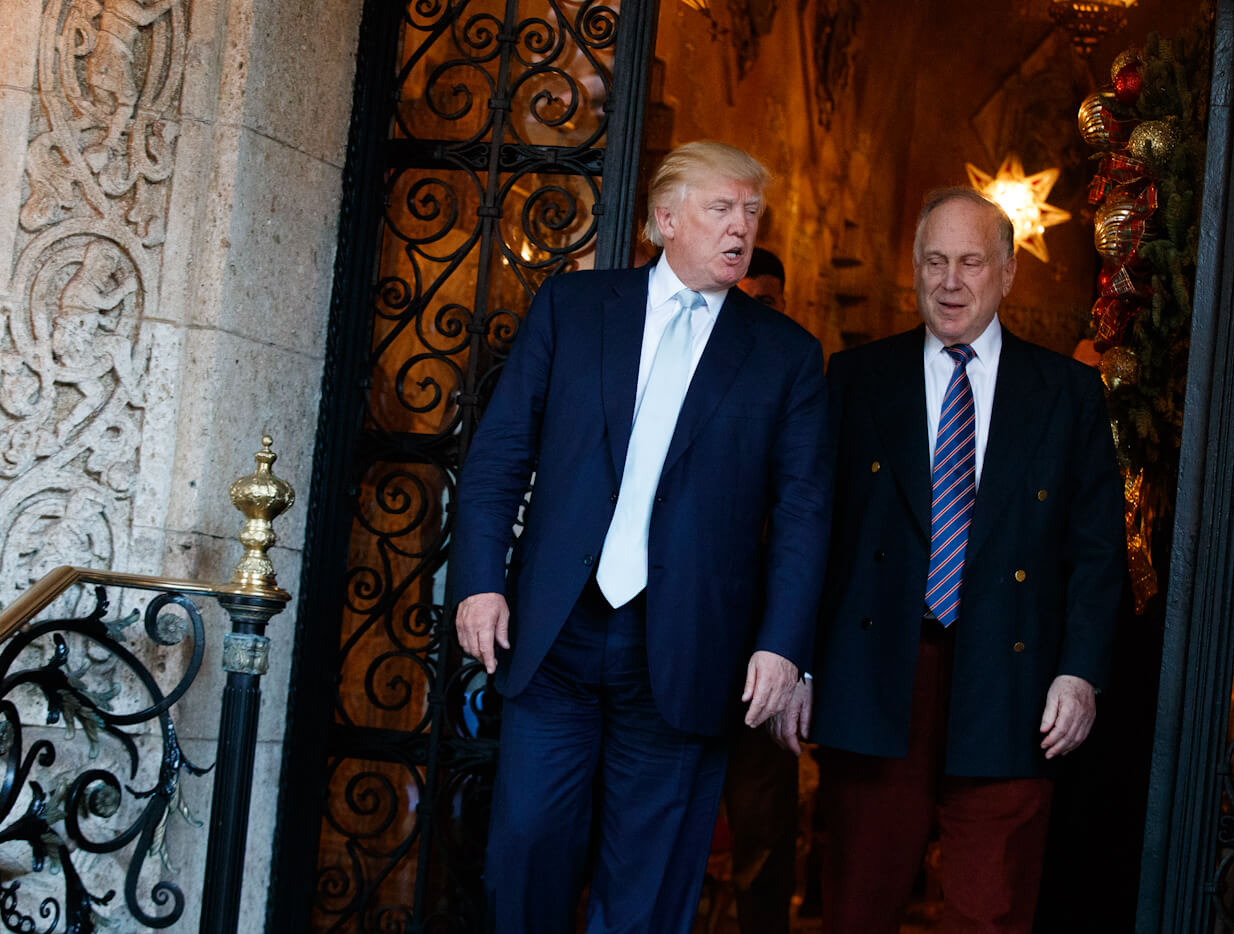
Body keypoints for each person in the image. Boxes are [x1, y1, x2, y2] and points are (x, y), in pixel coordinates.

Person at [451, 140, 832, 934]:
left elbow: (803, 514)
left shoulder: (786, 355)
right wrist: (481, 580)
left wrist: (784, 646)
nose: (741, 228)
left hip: (688, 648)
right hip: (554, 630)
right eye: (720, 208)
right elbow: (499, 455)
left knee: (650, 885)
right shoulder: (575, 307)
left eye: (751, 213)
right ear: (665, 220)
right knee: (525, 849)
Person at [780, 187, 1125, 933]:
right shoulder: (857, 378)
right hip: (877, 677)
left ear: (1008, 273)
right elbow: (815, 534)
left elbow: (1096, 550)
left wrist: (1079, 672)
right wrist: (799, 662)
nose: (950, 281)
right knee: (856, 908)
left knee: (989, 911)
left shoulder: (1067, 393)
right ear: (913, 270)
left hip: (1013, 683)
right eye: (934, 261)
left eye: (971, 262)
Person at [718, 245, 801, 934]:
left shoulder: (796, 381)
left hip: (763, 656)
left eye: (766, 302)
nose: (753, 314)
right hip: (678, 640)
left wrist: (793, 655)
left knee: (764, 827)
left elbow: (808, 528)